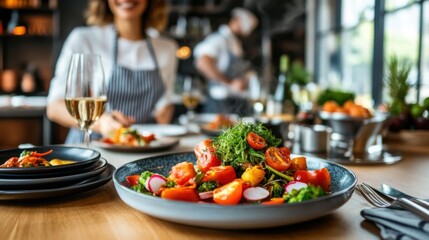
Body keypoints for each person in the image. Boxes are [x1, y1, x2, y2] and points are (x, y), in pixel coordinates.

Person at [46, 0, 178, 144]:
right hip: (90, 146)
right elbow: (54, 107)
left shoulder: (167, 48)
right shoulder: (84, 39)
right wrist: (101, 123)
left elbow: (164, 106)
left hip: (138, 149)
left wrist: (165, 113)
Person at [193, 7, 258, 116]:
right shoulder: (218, 40)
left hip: (234, 103)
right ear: (236, 21)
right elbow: (202, 62)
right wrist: (230, 82)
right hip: (219, 104)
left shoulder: (234, 42)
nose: (248, 32)